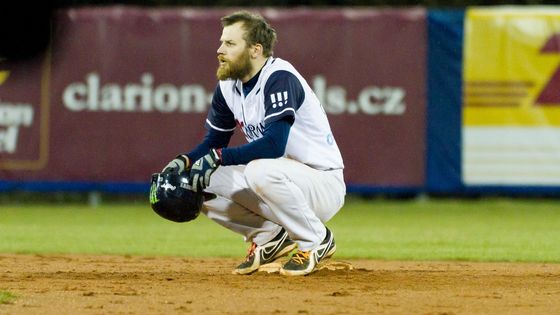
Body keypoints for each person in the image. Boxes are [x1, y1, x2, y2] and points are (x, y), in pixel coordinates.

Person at [162, 10, 345, 276]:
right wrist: (185, 161)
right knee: (196, 178)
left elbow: (274, 145)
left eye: (230, 44)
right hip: (280, 180)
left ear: (255, 50)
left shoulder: (280, 77)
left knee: (258, 169)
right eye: (222, 42)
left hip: (321, 182)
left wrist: (219, 158)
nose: (220, 49)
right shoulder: (228, 86)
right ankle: (269, 236)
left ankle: (316, 240)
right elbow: (214, 142)